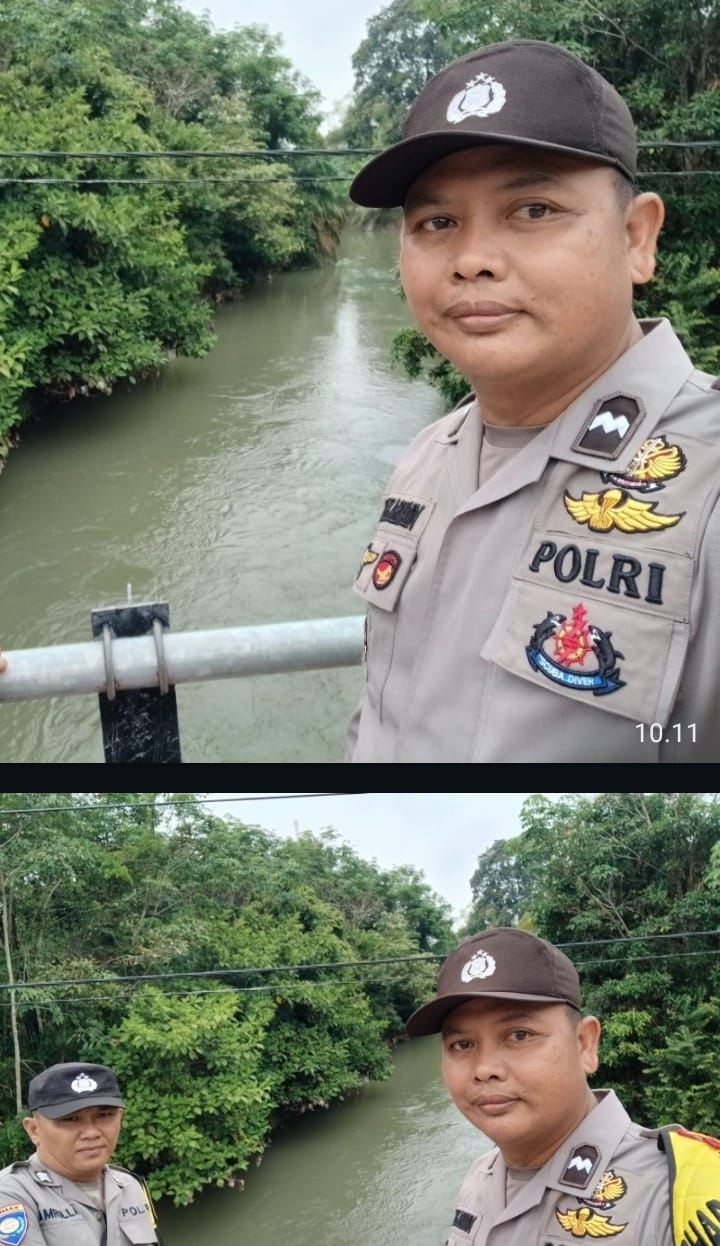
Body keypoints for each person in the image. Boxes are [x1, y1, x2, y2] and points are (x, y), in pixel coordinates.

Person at [345, 38, 720, 763]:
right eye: (436, 223)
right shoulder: (428, 457)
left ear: (637, 237)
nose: (471, 258)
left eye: (534, 208)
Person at [405, 926, 718, 1246]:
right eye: (462, 1044)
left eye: (519, 1035)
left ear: (584, 1045)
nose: (485, 1069)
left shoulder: (682, 1194)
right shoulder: (479, 1175)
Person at [0, 1061, 160, 1246]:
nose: (91, 1132)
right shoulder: (13, 1194)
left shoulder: (129, 1185)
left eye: (104, 1115)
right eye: (71, 1119)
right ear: (34, 1130)